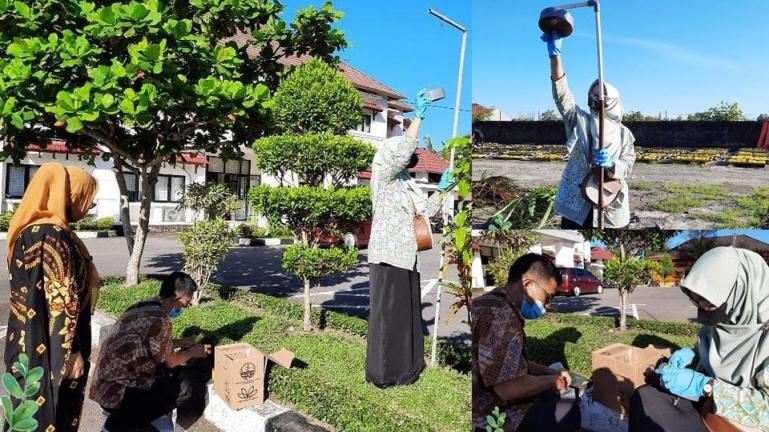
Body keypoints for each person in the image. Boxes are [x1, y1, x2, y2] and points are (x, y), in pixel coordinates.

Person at [365, 89, 453, 388]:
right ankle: (385, 374)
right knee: (388, 318)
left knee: (406, 316)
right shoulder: (383, 174)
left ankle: (409, 368)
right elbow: (403, 149)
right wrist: (419, 117)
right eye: (403, 155)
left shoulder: (405, 182)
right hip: (387, 257)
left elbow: (424, 213)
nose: (409, 159)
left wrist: (443, 189)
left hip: (407, 256)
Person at [4, 162, 100, 432]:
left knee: (26, 411)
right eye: (86, 199)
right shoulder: (53, 235)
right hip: (52, 350)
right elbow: (63, 301)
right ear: (71, 195)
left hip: (24, 343)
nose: (88, 207)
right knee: (51, 414)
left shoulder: (29, 231)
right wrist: (72, 353)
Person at [630, 246, 769, 431]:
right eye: (695, 301)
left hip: (739, 423)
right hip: (706, 406)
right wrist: (695, 356)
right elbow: (718, 354)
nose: (701, 310)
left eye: (708, 303)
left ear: (742, 293)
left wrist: (705, 386)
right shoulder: (727, 318)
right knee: (644, 398)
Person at [89, 271, 212, 431]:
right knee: (185, 388)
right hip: (118, 393)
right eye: (185, 304)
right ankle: (127, 423)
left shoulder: (142, 306)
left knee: (163, 378)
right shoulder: (160, 320)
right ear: (175, 299)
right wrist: (193, 352)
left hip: (102, 384)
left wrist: (183, 341)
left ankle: (129, 418)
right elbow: (171, 361)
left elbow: (152, 343)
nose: (184, 308)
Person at [472, 253, 580, 432]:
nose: (548, 305)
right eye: (548, 297)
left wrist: (547, 371)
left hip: (481, 403)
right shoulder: (502, 318)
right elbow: (508, 389)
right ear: (528, 284)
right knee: (567, 410)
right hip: (487, 417)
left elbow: (505, 362)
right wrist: (552, 381)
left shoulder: (487, 302)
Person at [542, 31, 636, 229]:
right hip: (578, 205)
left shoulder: (623, 133)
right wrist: (555, 55)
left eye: (599, 95)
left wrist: (613, 165)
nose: (594, 98)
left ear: (612, 100)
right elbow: (562, 96)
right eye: (592, 94)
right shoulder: (580, 122)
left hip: (611, 206)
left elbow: (628, 164)